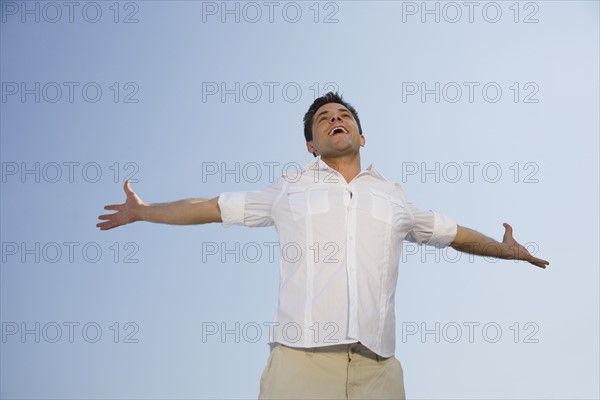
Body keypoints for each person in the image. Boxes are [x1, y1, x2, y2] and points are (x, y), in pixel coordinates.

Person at [97, 92, 549, 399]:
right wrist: (145, 210)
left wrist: (505, 249)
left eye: (343, 116)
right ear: (311, 144)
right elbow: (211, 206)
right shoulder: (287, 190)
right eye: (324, 119)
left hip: (380, 369)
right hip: (301, 366)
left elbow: (454, 234)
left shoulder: (395, 197)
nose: (336, 120)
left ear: (361, 136)